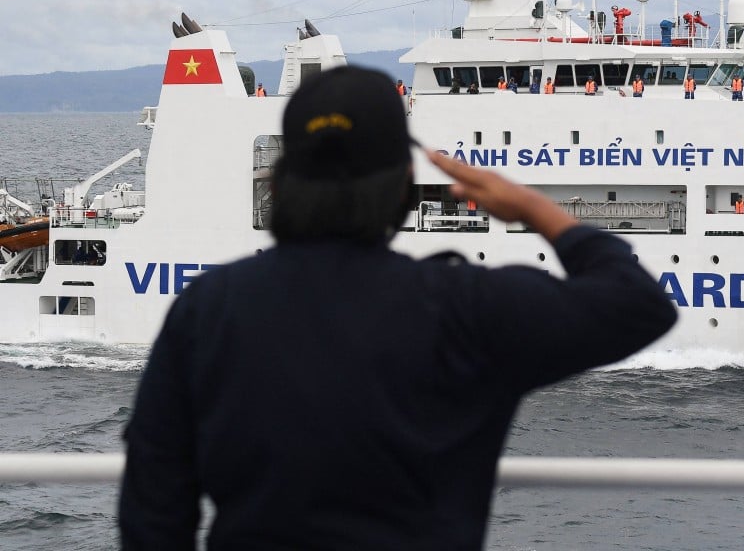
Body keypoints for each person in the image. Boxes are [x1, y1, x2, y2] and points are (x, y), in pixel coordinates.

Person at [118, 65, 676, 551]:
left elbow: (153, 505)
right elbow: (639, 305)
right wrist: (533, 205)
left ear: (282, 181)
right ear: (405, 184)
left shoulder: (206, 310)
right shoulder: (467, 306)